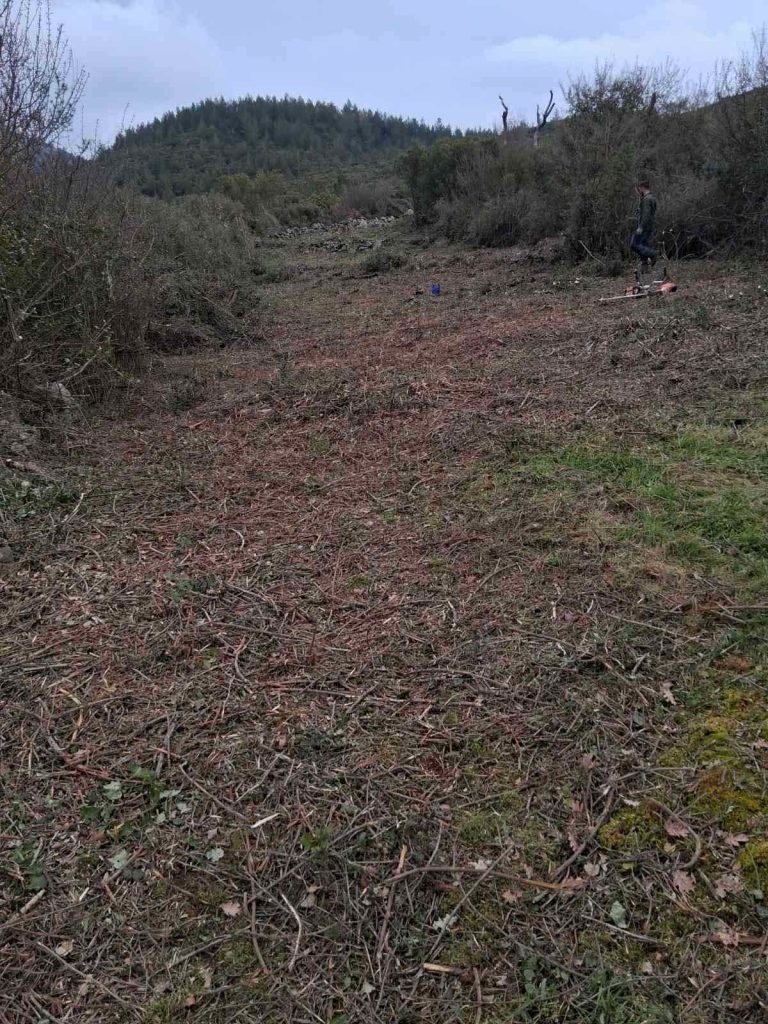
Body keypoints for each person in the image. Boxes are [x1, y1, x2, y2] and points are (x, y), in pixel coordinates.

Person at [630, 180, 658, 267]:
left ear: (642, 188)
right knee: (643, 245)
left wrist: (641, 227)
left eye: (639, 189)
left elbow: (646, 215)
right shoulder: (651, 198)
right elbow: (648, 212)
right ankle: (644, 266)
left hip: (645, 227)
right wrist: (640, 210)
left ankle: (653, 254)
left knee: (634, 244)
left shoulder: (646, 200)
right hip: (649, 226)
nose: (639, 191)